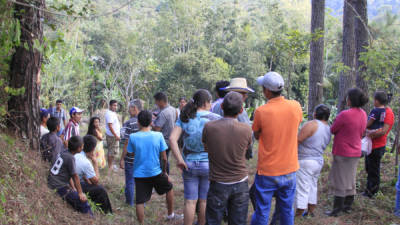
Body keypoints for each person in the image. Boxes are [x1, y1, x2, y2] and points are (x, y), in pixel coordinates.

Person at [251, 72, 303, 225]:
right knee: (286, 209)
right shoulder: (295, 106)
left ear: (267, 91)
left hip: (268, 170)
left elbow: (256, 134)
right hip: (289, 168)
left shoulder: (261, 111)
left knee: (262, 210)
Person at [169, 89, 221, 225]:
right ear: (206, 102)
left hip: (189, 164)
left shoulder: (185, 117)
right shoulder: (216, 119)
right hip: (209, 164)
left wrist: (179, 159)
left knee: (190, 201)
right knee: (204, 200)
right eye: (210, 102)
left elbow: (172, 139)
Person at [202, 92, 252, 225]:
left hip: (218, 182)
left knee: (213, 221)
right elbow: (246, 150)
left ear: (222, 107)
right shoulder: (246, 130)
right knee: (238, 221)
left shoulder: (209, 127)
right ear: (241, 110)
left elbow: (206, 148)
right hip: (240, 182)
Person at [128, 110, 179, 223]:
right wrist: (165, 172)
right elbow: (164, 158)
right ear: (152, 122)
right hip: (156, 172)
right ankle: (170, 214)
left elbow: (131, 153)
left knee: (140, 201)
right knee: (169, 188)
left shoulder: (133, 137)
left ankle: (141, 223)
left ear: (138, 122)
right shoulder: (158, 135)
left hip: (139, 174)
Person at [326, 88, 368, 217]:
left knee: (340, 180)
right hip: (356, 151)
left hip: (343, 152)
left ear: (350, 100)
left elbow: (333, 129)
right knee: (350, 178)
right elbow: (362, 132)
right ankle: (348, 206)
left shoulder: (345, 114)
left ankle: (336, 210)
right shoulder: (363, 114)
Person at [294, 104, 331, 217]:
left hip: (305, 160)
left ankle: (299, 213)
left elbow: (298, 140)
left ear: (315, 114)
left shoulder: (312, 124)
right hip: (318, 160)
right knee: (312, 186)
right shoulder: (329, 128)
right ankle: (311, 211)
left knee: (302, 186)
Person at [47, 136, 92, 215]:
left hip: (52, 180)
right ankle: (90, 218)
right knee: (83, 201)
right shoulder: (70, 158)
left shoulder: (63, 152)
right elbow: (75, 176)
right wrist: (80, 193)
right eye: (82, 146)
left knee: (74, 193)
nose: (83, 147)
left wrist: (73, 188)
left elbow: (69, 174)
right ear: (78, 148)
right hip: (58, 186)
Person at [363, 91, 395, 198]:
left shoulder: (387, 112)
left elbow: (383, 131)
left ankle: (372, 191)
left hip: (377, 145)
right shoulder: (382, 111)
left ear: (377, 100)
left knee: (374, 169)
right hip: (370, 144)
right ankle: (368, 189)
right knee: (369, 167)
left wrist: (370, 134)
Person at [75, 135, 113, 214]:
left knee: (91, 185)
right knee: (100, 190)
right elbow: (95, 181)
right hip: (75, 185)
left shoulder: (75, 152)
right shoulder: (85, 162)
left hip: (69, 181)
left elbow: (86, 178)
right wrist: (95, 164)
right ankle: (107, 212)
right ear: (92, 149)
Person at [119, 99, 142, 206]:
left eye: (130, 108)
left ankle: (130, 203)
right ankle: (142, 202)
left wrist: (122, 158)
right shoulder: (147, 120)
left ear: (135, 108)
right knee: (141, 180)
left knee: (130, 181)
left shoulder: (130, 123)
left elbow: (127, 142)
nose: (128, 110)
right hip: (143, 157)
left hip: (131, 158)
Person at [153, 92, 178, 174]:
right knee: (166, 158)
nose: (156, 104)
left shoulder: (163, 113)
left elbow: (157, 129)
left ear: (160, 101)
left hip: (164, 141)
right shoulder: (174, 109)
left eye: (156, 102)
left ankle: (164, 178)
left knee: (162, 161)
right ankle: (166, 177)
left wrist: (150, 124)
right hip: (171, 140)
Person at [105, 100, 121, 170]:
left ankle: (112, 165)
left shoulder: (112, 113)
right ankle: (110, 167)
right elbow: (110, 126)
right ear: (110, 106)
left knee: (114, 151)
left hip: (114, 135)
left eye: (116, 105)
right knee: (111, 151)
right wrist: (116, 135)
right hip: (112, 136)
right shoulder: (110, 114)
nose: (115, 107)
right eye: (114, 105)